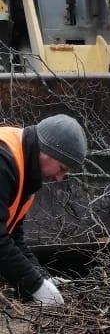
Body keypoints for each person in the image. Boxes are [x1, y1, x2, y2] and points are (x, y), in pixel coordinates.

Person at [0, 114, 87, 306]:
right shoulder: (4, 161)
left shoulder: (25, 169)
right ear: (46, 151)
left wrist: (43, 278)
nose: (59, 178)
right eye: (62, 168)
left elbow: (12, 235)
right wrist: (35, 285)